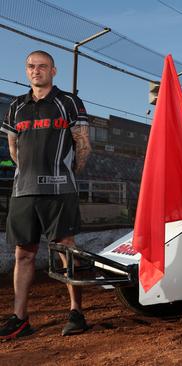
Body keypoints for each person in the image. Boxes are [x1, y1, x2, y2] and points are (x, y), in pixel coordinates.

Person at [0, 50, 92, 339]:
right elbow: (13, 149)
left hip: (59, 190)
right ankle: (20, 317)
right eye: (31, 66)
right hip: (24, 191)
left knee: (65, 250)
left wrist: (64, 175)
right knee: (23, 254)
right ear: (26, 71)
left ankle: (76, 312)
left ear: (54, 71)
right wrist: (28, 174)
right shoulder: (16, 106)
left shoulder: (68, 102)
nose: (36, 71)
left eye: (42, 66)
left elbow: (83, 146)